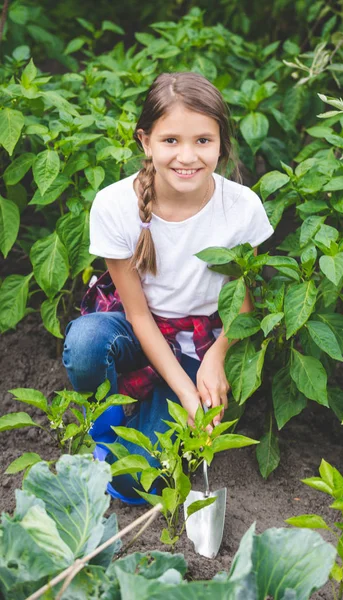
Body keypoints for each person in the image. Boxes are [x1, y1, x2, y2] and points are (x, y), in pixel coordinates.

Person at [62, 71, 274, 502]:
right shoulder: (115, 205)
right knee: (85, 344)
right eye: (171, 140)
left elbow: (244, 304)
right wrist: (184, 391)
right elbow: (137, 314)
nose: (187, 156)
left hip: (201, 340)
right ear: (145, 142)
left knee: (140, 483)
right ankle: (108, 422)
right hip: (141, 332)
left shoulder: (240, 207)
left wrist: (217, 357)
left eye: (203, 141)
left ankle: (149, 416)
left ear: (220, 142)